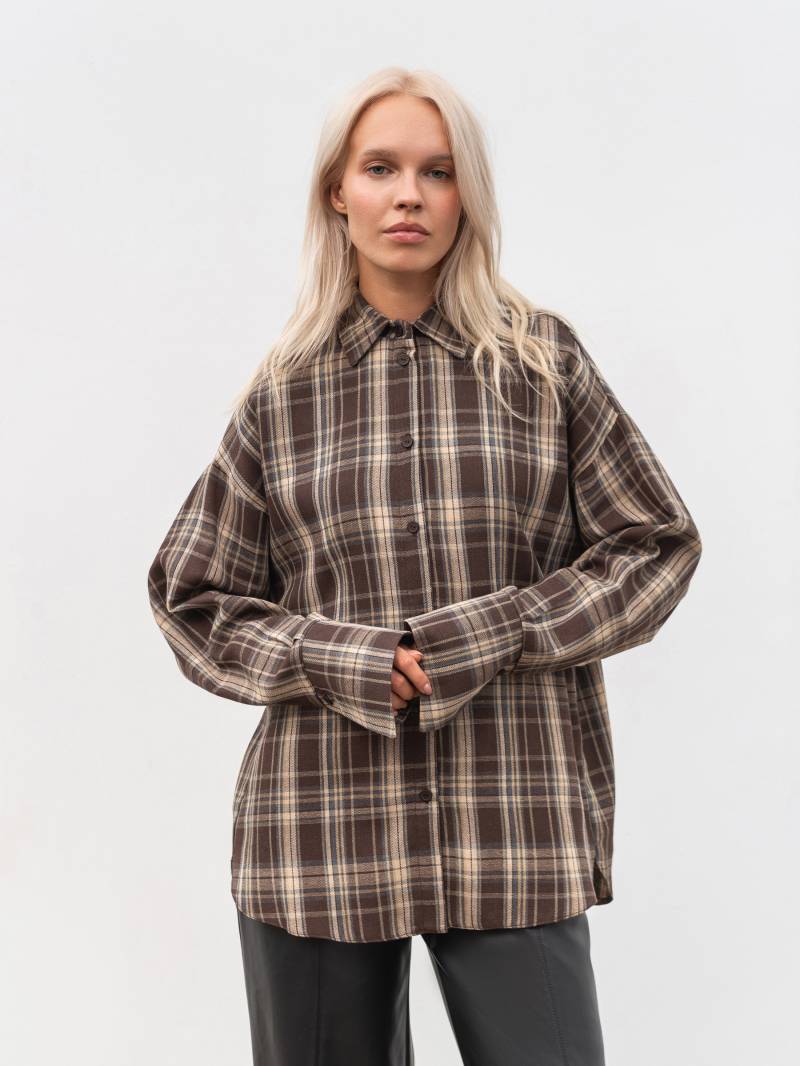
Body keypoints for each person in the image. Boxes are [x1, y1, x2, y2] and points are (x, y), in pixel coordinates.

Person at [147, 66, 702, 1066]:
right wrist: (344, 658)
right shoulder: (284, 394)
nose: (408, 195)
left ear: (465, 195)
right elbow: (191, 597)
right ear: (338, 192)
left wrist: (490, 632)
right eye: (380, 168)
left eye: (437, 172)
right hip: (317, 832)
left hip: (515, 817)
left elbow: (654, 545)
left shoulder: (543, 365)